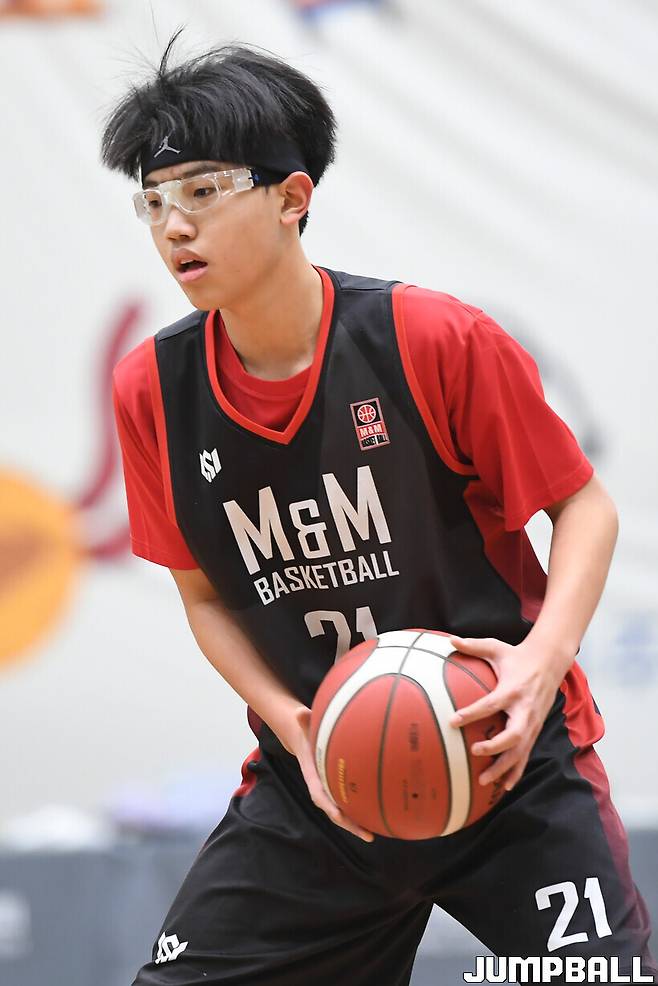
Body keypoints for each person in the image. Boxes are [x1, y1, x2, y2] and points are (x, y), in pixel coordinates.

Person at [105, 33, 656, 986]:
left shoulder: (432, 338)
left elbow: (583, 508)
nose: (174, 226)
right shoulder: (152, 389)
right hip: (322, 778)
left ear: (293, 196)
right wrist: (292, 722)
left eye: (202, 191)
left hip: (502, 752)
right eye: (153, 202)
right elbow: (205, 597)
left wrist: (539, 667)